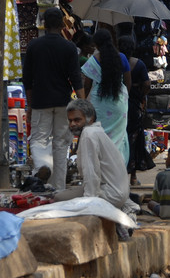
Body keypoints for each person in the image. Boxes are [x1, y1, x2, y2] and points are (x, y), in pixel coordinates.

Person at [23, 7, 85, 191]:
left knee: (39, 139)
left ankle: (44, 166)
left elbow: (27, 79)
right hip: (63, 102)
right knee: (61, 143)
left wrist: (29, 104)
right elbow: (75, 78)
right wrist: (82, 104)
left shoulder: (34, 46)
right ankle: (58, 188)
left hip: (40, 101)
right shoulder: (69, 47)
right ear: (61, 25)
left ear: (43, 24)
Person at [57, 99, 140, 232]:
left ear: (90, 119)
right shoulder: (95, 132)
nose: (72, 124)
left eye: (77, 120)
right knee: (63, 194)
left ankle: (117, 219)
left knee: (58, 199)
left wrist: (90, 204)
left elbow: (91, 172)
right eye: (70, 120)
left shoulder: (88, 135)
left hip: (111, 194)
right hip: (120, 194)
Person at [82, 28, 131, 164]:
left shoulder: (93, 60)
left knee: (100, 135)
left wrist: (84, 102)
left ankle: (102, 166)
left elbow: (87, 85)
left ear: (96, 44)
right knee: (119, 137)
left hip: (100, 102)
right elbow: (128, 82)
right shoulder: (121, 57)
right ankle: (118, 167)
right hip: (119, 101)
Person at [118, 35, 154, 183]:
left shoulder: (114, 62)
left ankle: (119, 174)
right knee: (134, 139)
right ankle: (133, 176)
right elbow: (147, 84)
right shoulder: (139, 64)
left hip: (118, 105)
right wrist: (141, 95)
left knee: (119, 139)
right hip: (134, 106)